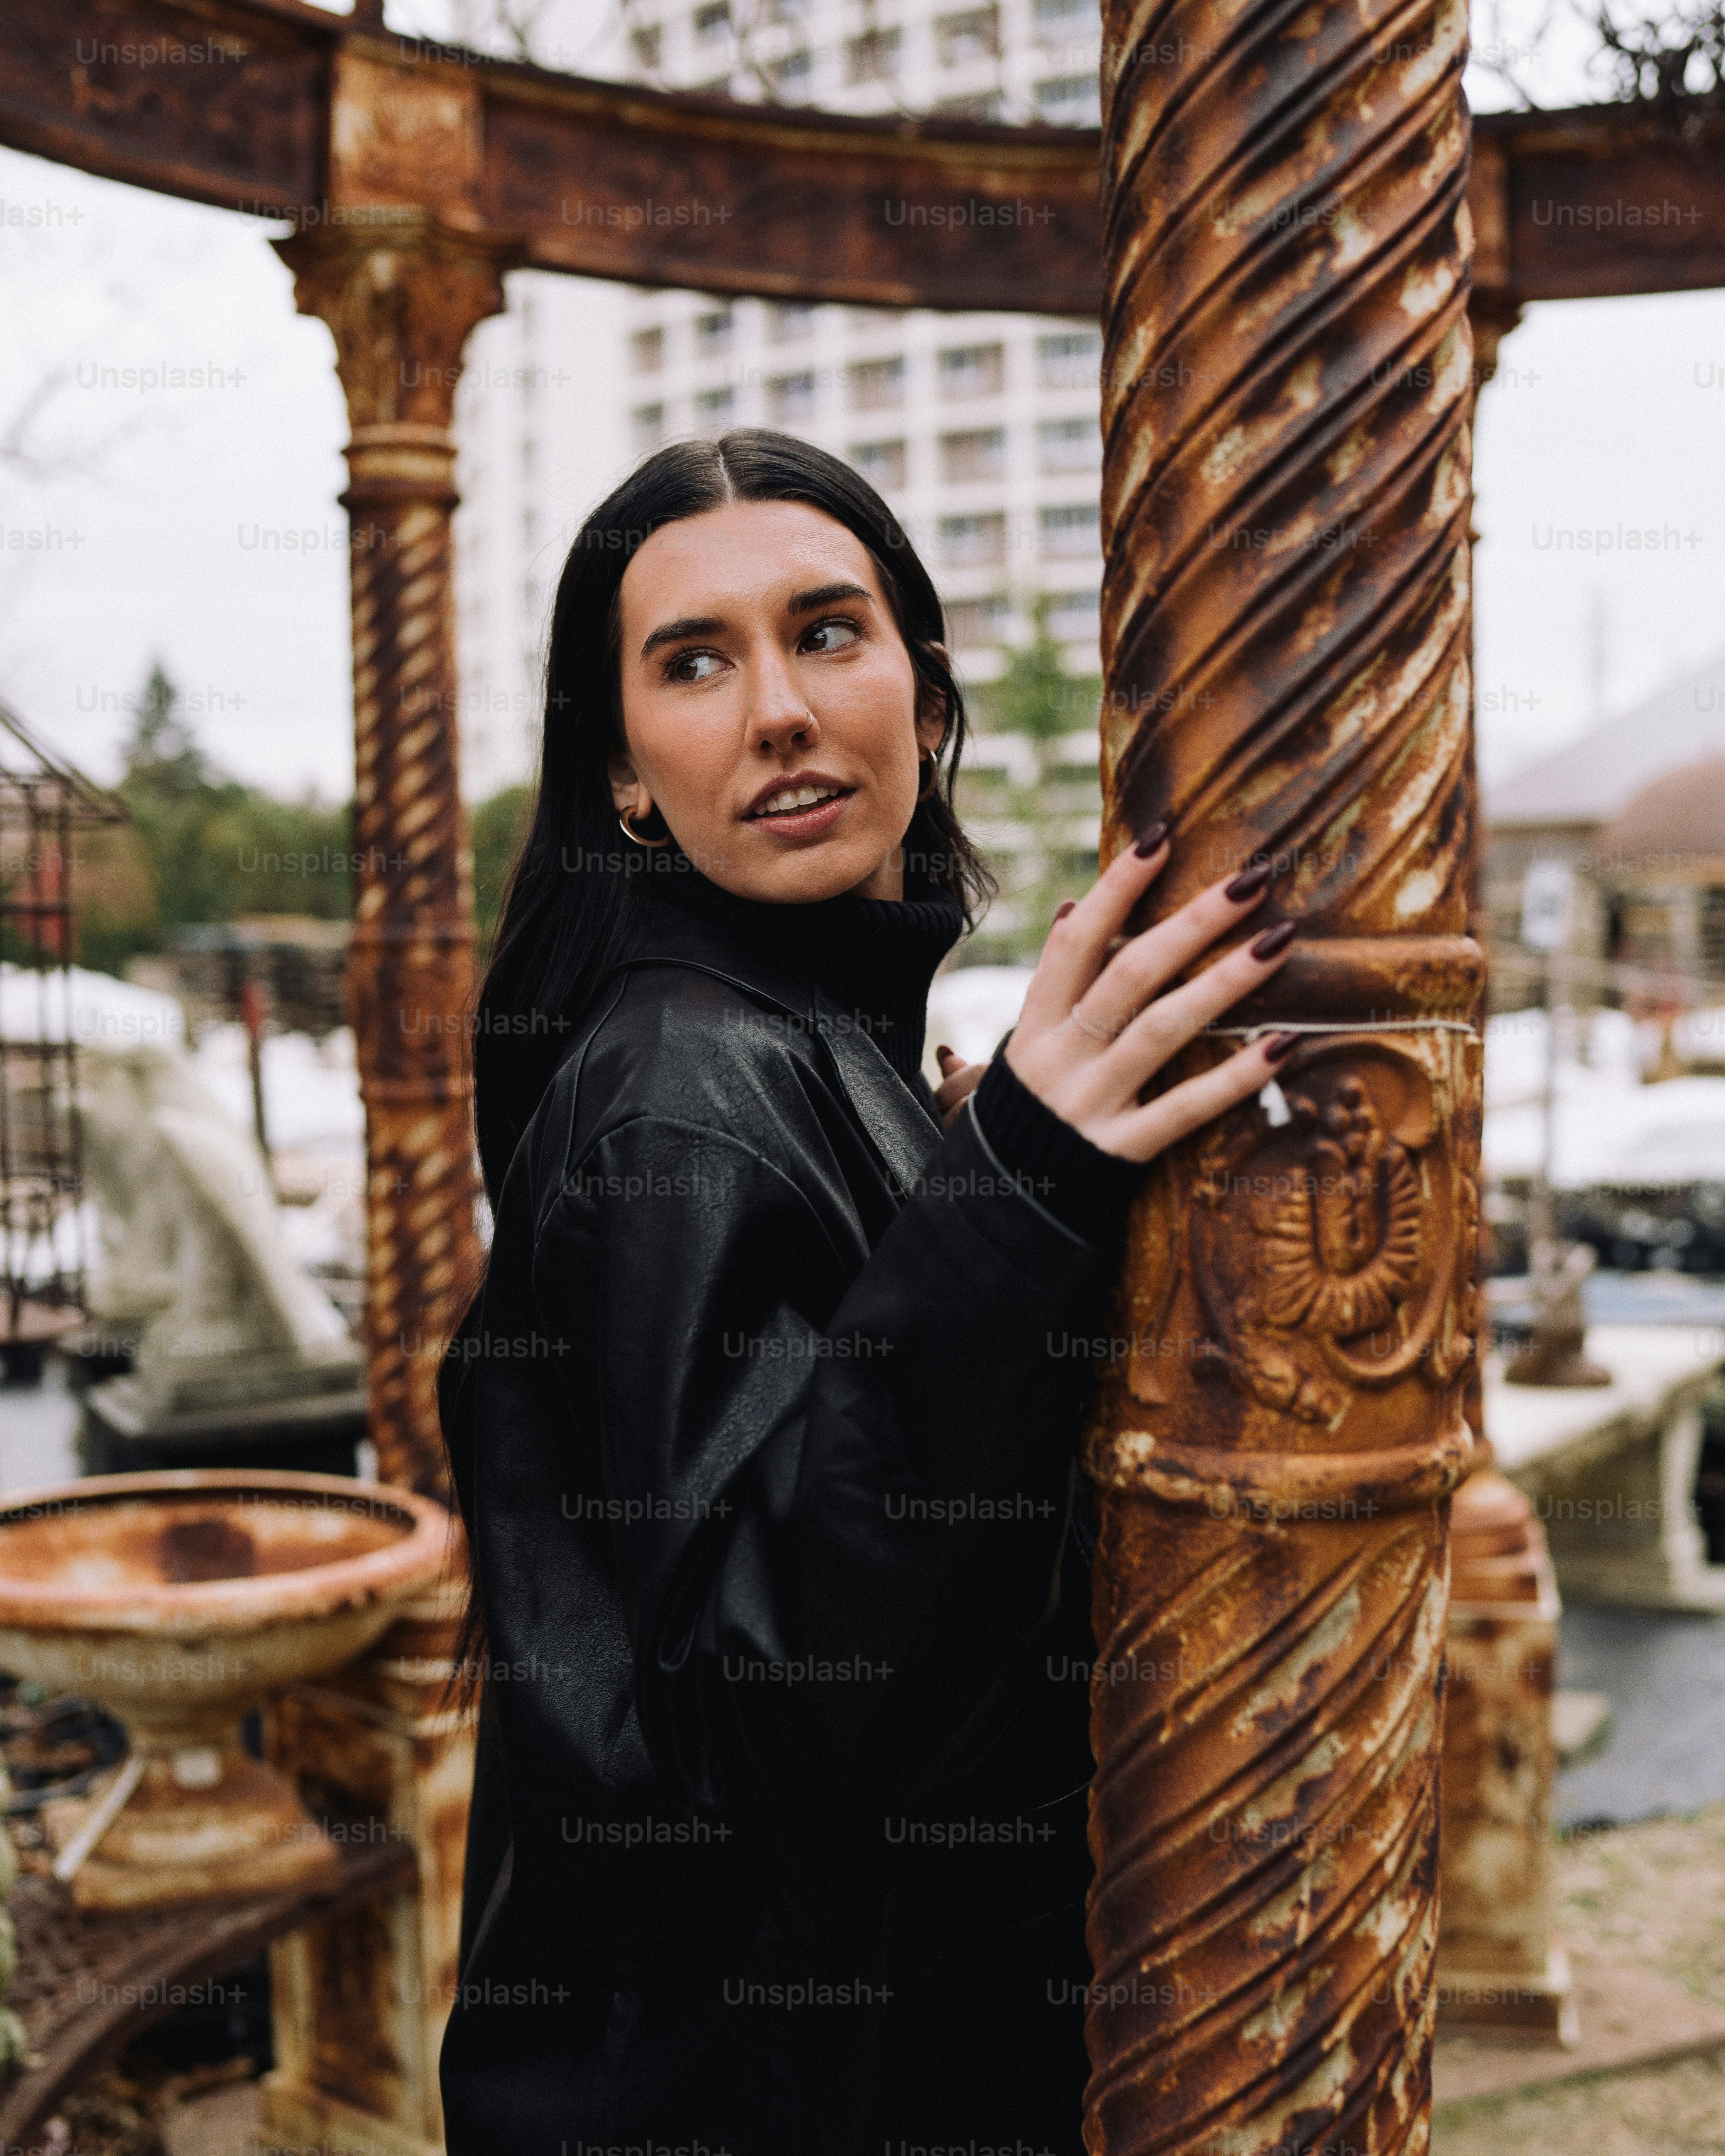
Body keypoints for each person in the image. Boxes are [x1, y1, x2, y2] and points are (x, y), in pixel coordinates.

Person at [438, 430, 1297, 2156]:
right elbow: (764, 1709)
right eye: (695, 663)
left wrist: (963, 1184)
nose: (779, 711)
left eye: (828, 633)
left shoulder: (811, 1040)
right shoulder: (675, 1093)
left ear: (925, 688)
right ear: (624, 774)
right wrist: (1018, 1186)